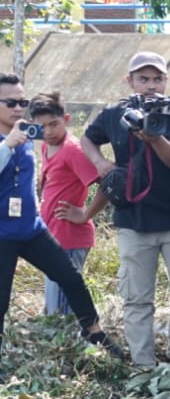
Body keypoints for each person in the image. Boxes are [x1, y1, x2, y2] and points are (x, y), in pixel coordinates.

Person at [81, 51, 170, 369]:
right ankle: (144, 365)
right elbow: (88, 138)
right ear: (130, 81)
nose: (151, 85)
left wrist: (155, 138)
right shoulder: (115, 115)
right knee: (137, 298)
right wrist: (100, 162)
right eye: (143, 79)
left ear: (166, 81)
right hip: (132, 222)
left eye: (158, 79)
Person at [0, 74, 116, 352]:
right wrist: (7, 145)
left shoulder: (28, 135)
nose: (18, 108)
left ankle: (95, 334)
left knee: (71, 278)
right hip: (2, 234)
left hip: (32, 229)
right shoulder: (14, 139)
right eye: (11, 102)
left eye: (22, 102)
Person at [27, 92, 98, 317]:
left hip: (71, 237)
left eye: (53, 124)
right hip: (53, 235)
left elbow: (107, 184)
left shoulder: (72, 150)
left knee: (62, 310)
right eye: (41, 126)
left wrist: (85, 214)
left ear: (66, 119)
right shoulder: (46, 146)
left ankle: (81, 335)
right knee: (54, 304)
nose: (48, 132)